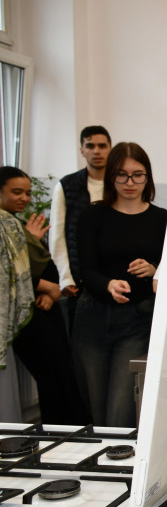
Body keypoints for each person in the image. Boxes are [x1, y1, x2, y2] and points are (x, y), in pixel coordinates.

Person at [73, 143, 167, 427]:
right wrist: (108, 284)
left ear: (148, 177)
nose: (130, 182)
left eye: (137, 175)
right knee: (97, 411)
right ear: (110, 177)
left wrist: (154, 269)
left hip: (136, 320)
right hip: (92, 318)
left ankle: (121, 456)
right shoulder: (92, 216)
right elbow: (85, 270)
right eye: (121, 175)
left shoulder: (162, 219)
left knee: (121, 412)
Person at [0, 167, 87, 424]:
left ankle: (65, 429)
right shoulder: (6, 224)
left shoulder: (14, 223)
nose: (24, 198)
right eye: (17, 192)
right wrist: (46, 287)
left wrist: (50, 293)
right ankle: (61, 430)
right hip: (25, 314)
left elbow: (36, 263)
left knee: (61, 370)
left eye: (27, 193)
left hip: (41, 306)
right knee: (54, 373)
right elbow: (10, 272)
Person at [48, 126, 112, 330]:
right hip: (78, 278)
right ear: (82, 150)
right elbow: (57, 235)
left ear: (110, 148)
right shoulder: (67, 186)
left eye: (102, 146)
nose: (96, 151)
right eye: (90, 146)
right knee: (81, 335)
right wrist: (65, 277)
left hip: (113, 275)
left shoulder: (121, 183)